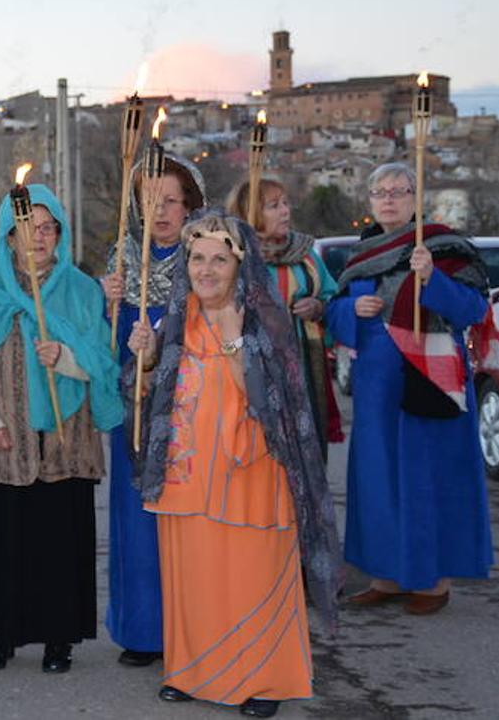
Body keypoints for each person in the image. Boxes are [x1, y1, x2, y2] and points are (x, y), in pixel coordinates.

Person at [128, 210, 340, 719]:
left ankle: (265, 678)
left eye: (219, 259)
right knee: (194, 578)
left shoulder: (264, 317)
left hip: (251, 473)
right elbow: (145, 396)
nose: (206, 270)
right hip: (187, 474)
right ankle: (191, 670)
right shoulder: (174, 319)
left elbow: (271, 401)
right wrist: (149, 356)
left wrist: (230, 335)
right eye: (197, 259)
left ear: (239, 265)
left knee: (252, 575)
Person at [0, 184, 123, 674]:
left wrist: (66, 359)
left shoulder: (80, 289)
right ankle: (1, 635)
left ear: (61, 233)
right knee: (5, 542)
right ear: (8, 237)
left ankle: (59, 638)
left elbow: (103, 360)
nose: (39, 237)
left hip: (65, 440)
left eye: (48, 227)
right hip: (5, 437)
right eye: (27, 229)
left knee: (59, 542)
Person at [326, 162, 492, 614]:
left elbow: (473, 310)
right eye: (379, 192)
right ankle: (387, 576)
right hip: (377, 382)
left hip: (431, 375)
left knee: (427, 478)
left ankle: (432, 582)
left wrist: (431, 279)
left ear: (416, 197)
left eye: (398, 191)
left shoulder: (445, 246)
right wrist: (352, 310)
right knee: (379, 477)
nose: (389, 199)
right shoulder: (361, 255)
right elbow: (333, 317)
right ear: (369, 202)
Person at [98, 155, 205, 668]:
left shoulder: (205, 258)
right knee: (136, 519)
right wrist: (109, 306)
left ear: (189, 205)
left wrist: (161, 342)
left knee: (187, 520)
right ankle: (142, 630)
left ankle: (192, 629)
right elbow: (107, 346)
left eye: (170, 200)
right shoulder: (123, 258)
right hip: (134, 409)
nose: (159, 210)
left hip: (190, 411)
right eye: (149, 200)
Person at [227, 177, 343, 455]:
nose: (285, 212)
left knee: (306, 452)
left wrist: (318, 307)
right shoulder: (232, 256)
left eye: (286, 204)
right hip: (251, 371)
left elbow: (334, 299)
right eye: (273, 206)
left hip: (303, 368)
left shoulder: (307, 257)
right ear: (250, 212)